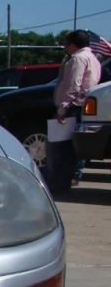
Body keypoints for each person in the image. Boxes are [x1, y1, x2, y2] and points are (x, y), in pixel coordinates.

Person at [47, 30, 101, 194]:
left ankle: (58, 184)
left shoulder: (77, 59)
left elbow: (73, 85)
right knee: (72, 150)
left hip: (72, 108)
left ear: (72, 44)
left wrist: (63, 108)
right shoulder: (94, 59)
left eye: (66, 43)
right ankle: (68, 180)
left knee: (59, 149)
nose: (64, 47)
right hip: (83, 107)